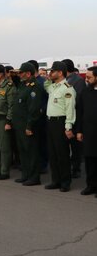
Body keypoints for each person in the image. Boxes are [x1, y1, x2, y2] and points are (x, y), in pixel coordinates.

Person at [44, 61, 76, 192]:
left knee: (62, 153)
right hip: (50, 122)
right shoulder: (53, 86)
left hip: (60, 122)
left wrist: (68, 126)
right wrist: (48, 78)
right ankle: (55, 180)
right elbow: (46, 86)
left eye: (52, 71)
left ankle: (65, 182)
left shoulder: (67, 88)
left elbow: (70, 109)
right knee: (53, 153)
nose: (50, 73)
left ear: (60, 72)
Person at [12, 62, 45, 186]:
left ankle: (34, 177)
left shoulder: (34, 86)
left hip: (28, 125)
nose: (19, 75)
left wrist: (29, 126)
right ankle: (25, 174)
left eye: (21, 73)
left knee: (31, 151)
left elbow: (34, 109)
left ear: (28, 73)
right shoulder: (22, 85)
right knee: (23, 151)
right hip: (19, 124)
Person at [62, 59, 86, 179]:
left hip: (75, 117)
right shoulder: (64, 80)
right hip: (65, 117)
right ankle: (69, 167)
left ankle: (76, 168)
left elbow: (78, 100)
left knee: (75, 146)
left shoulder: (78, 81)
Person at [76, 66, 97, 197]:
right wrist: (78, 131)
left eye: (89, 77)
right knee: (89, 161)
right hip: (88, 132)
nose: (87, 79)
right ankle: (91, 185)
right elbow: (80, 112)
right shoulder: (85, 92)